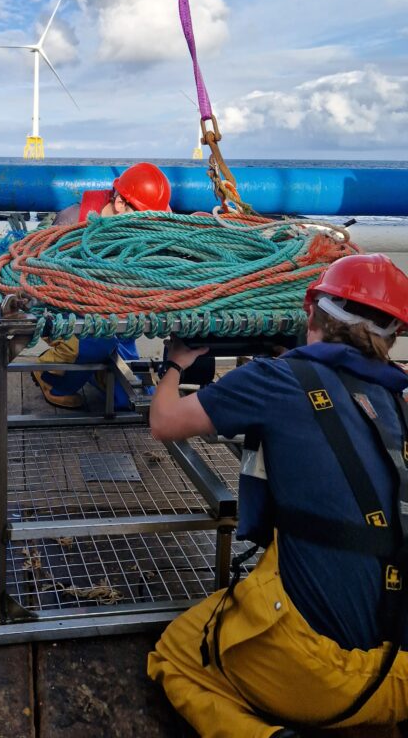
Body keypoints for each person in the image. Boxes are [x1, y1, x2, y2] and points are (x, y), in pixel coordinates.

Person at [146, 253, 408, 738]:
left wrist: (174, 365)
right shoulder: (399, 402)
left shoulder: (276, 380)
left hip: (320, 679)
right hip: (401, 674)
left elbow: (163, 423)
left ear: (311, 312)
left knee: (176, 655)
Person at [34, 163, 216, 410]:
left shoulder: (137, 227)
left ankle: (97, 366)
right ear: (120, 203)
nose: (146, 226)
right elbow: (42, 282)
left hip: (117, 319)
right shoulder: (71, 222)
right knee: (100, 339)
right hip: (69, 311)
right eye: (143, 216)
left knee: (129, 401)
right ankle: (50, 376)